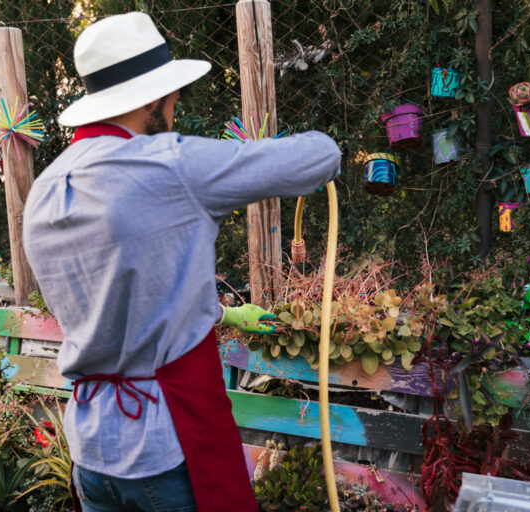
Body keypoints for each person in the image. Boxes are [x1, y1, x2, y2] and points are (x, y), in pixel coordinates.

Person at [22, 11, 341, 512]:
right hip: (165, 447)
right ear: (151, 96)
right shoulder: (169, 165)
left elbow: (123, 297)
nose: (174, 109)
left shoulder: (44, 189)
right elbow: (318, 157)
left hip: (90, 452)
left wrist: (220, 313)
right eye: (172, 97)